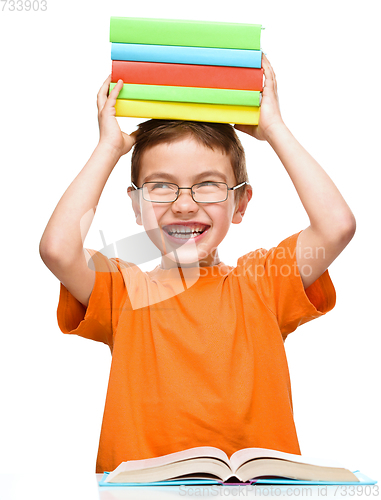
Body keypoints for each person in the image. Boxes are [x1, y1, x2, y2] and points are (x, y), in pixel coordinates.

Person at [39, 55, 356, 474]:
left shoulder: (263, 282)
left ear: (240, 203)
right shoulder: (123, 290)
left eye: (208, 184)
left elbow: (337, 226)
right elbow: (58, 249)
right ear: (136, 206)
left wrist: (275, 130)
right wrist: (108, 149)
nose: (184, 205)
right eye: (161, 186)